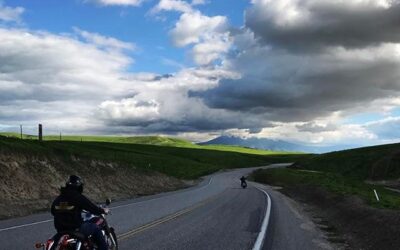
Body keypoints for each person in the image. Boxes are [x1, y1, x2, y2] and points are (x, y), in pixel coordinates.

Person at [51, 175, 109, 250]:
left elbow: (53, 211)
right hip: (75, 228)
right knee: (96, 228)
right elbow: (92, 208)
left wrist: (68, 211)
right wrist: (103, 210)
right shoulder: (77, 196)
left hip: (61, 230)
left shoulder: (59, 198)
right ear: (78, 186)